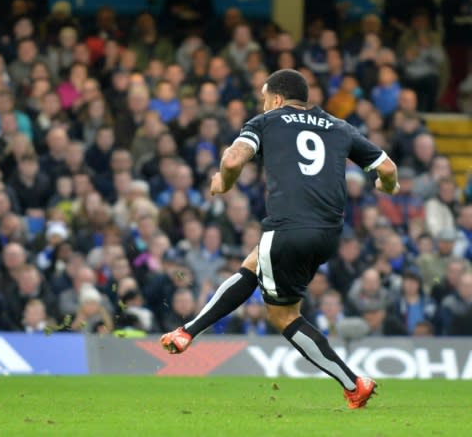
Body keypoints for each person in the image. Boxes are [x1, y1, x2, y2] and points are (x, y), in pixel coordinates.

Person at [160, 69, 400, 409]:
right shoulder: (338, 126)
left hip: (287, 228)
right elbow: (387, 169)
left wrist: (222, 184)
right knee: (255, 262)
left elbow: (231, 159)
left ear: (275, 98)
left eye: (263, 98)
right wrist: (385, 187)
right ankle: (188, 331)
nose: (263, 104)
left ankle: (353, 383)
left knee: (283, 315)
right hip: (329, 234)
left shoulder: (266, 122)